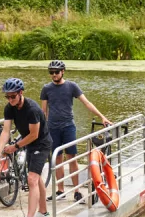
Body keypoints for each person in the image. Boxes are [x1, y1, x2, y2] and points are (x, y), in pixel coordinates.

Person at [40, 60, 111, 203]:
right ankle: (60, 191)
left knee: (72, 158)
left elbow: (87, 103)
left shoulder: (71, 86)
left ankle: (77, 191)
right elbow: (43, 111)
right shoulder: (46, 89)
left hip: (68, 127)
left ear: (63, 72)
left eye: (56, 72)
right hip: (53, 128)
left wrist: (102, 116)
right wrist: (43, 130)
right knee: (57, 159)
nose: (54, 75)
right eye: (51, 72)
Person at [0, 77, 52, 217]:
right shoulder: (9, 108)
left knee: (32, 179)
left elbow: (34, 135)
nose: (10, 99)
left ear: (21, 93)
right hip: (28, 143)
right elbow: (6, 131)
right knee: (37, 178)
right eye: (7, 96)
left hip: (41, 143)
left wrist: (15, 147)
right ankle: (44, 213)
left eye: (13, 96)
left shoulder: (32, 109)